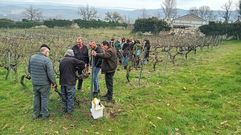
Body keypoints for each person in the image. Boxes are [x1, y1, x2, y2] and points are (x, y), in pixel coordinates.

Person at [28, 44, 56, 119]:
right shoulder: (47, 60)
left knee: (36, 97)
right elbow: (50, 74)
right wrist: (54, 83)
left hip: (35, 82)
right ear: (46, 52)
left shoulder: (32, 57)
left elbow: (29, 70)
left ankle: (35, 114)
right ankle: (44, 114)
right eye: (48, 52)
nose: (48, 54)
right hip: (44, 84)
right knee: (44, 98)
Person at [59, 49, 85, 115]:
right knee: (70, 96)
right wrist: (78, 69)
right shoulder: (72, 60)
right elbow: (82, 63)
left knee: (64, 96)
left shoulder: (62, 60)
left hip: (62, 81)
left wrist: (74, 68)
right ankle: (69, 111)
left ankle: (64, 110)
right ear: (71, 54)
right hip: (70, 81)